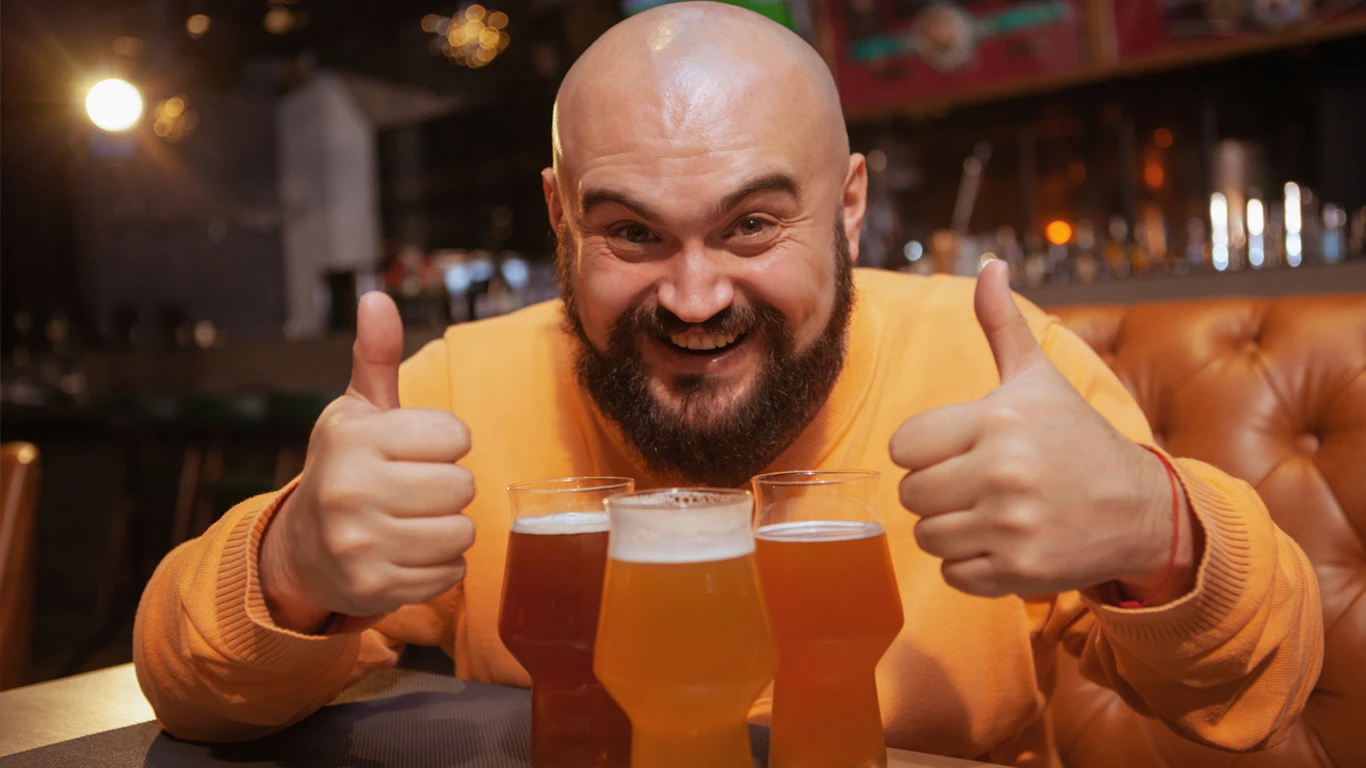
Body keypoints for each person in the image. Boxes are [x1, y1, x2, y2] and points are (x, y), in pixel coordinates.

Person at [132, 3, 1322, 764]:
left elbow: (1266, 681)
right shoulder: (459, 391)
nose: (694, 296)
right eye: (633, 233)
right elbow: (185, 687)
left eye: (752, 224)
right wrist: (292, 566)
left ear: (849, 204)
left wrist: (1150, 525)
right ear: (560, 219)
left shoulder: (998, 366)